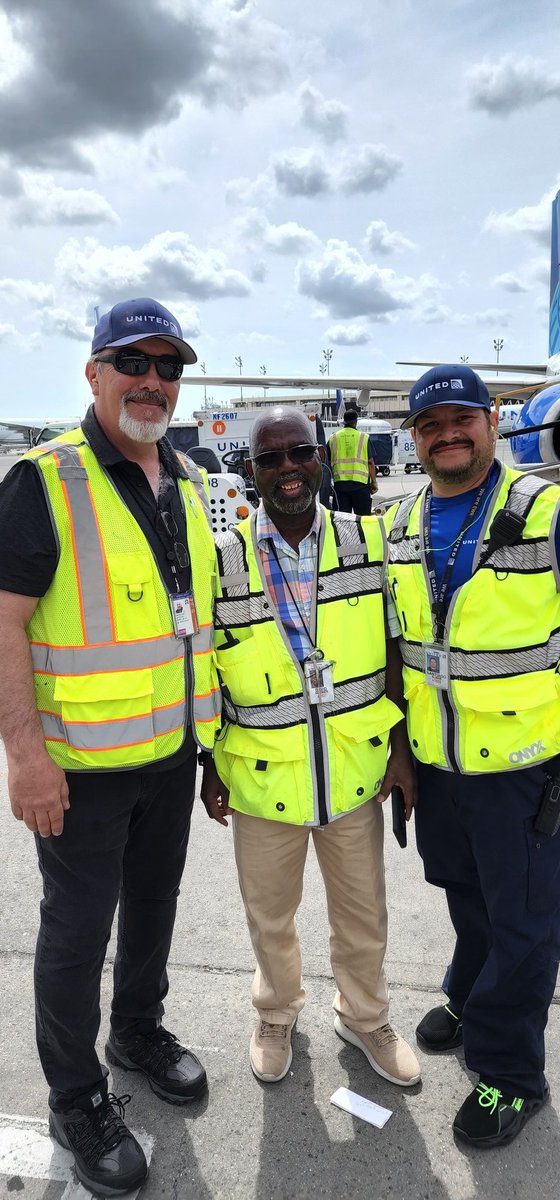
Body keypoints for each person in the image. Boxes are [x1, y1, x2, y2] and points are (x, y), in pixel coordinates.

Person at [0, 298, 221, 1195]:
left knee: (156, 906)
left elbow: (192, 625)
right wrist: (25, 754)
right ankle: (75, 1094)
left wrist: (208, 752)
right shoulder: (43, 479)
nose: (153, 382)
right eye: (134, 362)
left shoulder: (190, 479)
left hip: (168, 755)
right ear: (93, 372)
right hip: (80, 770)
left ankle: (136, 1031)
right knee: (76, 932)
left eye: (170, 368)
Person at [201, 407, 420, 1089]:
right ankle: (275, 1013)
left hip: (355, 770)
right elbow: (204, 671)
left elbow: (394, 646)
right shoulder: (223, 559)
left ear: (322, 458)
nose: (288, 469)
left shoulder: (367, 540)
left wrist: (402, 749)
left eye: (300, 453)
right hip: (263, 778)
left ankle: (364, 1014)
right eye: (271, 459)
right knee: (270, 916)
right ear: (251, 471)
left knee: (363, 912)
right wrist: (208, 765)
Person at [385, 363, 560, 1149]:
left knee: (525, 922)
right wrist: (399, 748)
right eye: (431, 425)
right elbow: (397, 646)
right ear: (415, 437)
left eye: (461, 419)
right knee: (465, 894)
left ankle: (511, 1076)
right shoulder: (402, 521)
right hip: (439, 764)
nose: (447, 434)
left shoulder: (544, 509)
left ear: (492, 420)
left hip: (523, 764)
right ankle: (468, 991)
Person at [327, 405, 377, 514]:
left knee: (342, 523)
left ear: (344, 421)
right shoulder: (364, 437)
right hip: (361, 485)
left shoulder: (333, 438)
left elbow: (326, 464)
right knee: (363, 520)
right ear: (356, 422)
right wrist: (374, 482)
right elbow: (370, 463)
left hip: (340, 486)